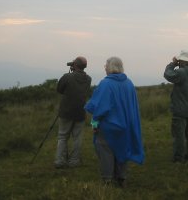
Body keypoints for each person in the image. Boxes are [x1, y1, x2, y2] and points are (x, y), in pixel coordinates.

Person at [84, 57, 144, 187]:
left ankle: (107, 180)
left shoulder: (106, 84)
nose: (104, 67)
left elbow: (99, 107)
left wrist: (94, 123)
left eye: (105, 65)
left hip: (108, 127)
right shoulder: (129, 83)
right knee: (122, 149)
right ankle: (121, 178)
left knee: (106, 151)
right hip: (126, 125)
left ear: (110, 67)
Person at [163, 50, 188, 163]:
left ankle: (178, 158)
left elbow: (167, 74)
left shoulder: (181, 72)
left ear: (183, 60)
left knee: (178, 135)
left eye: (180, 60)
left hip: (179, 109)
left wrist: (173, 64)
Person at [54, 56, 92, 168]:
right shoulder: (88, 79)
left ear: (75, 65)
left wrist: (71, 72)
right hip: (80, 111)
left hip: (66, 111)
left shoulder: (67, 77)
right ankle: (74, 161)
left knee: (62, 136)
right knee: (77, 137)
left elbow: (59, 89)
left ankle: (60, 161)